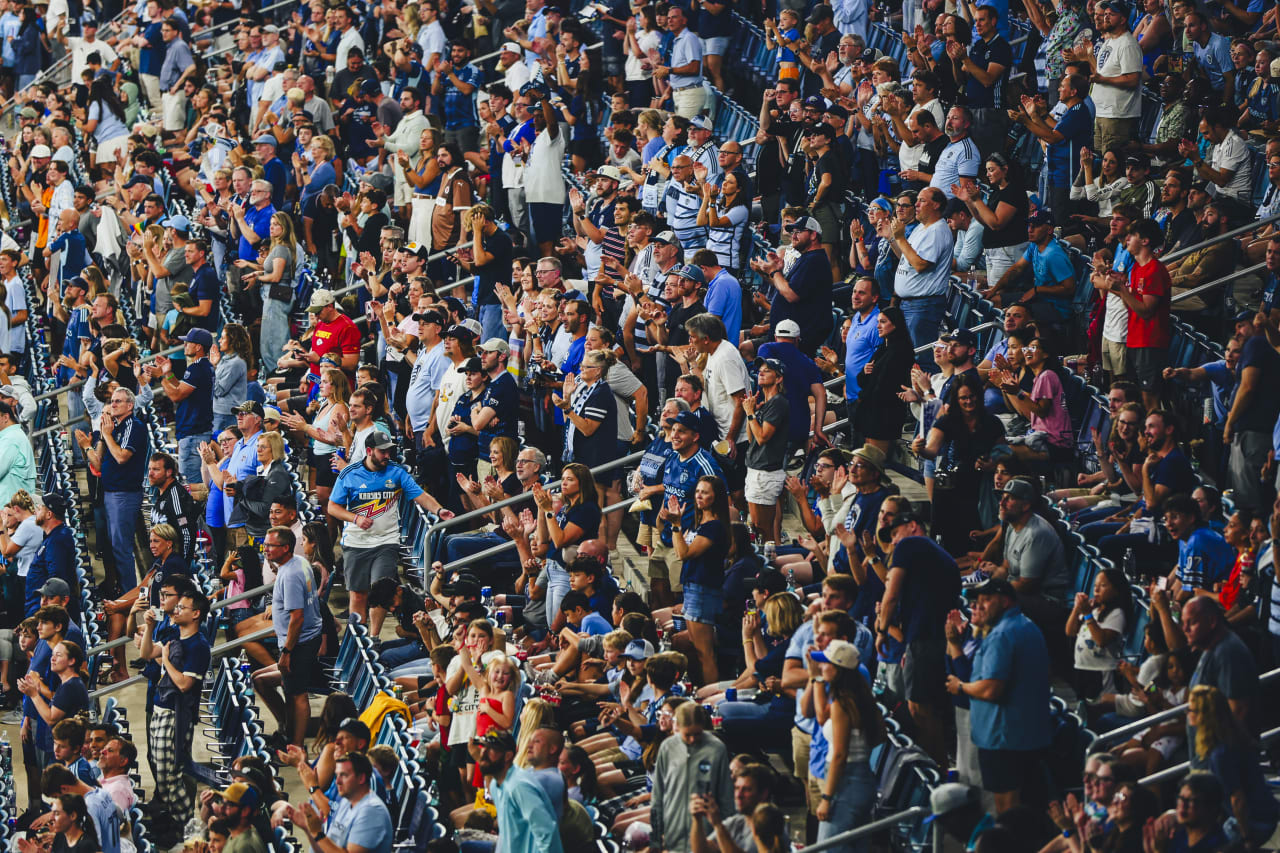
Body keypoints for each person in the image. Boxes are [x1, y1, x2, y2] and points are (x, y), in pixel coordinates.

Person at [945, 577, 1051, 813]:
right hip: (1023, 735)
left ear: (1004, 601)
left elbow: (992, 689)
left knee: (1007, 811)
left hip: (1004, 737)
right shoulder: (1026, 625)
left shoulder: (1002, 635)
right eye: (977, 601)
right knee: (1022, 810)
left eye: (986, 600)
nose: (979, 606)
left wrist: (961, 687)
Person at [328, 431, 449, 628]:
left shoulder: (397, 472)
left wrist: (439, 509)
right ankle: (358, 637)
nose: (387, 455)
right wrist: (355, 518)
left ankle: (373, 637)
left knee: (380, 593)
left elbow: (420, 496)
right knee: (358, 595)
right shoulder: (349, 474)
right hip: (355, 543)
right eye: (382, 451)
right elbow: (332, 507)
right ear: (369, 451)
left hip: (386, 542)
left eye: (389, 451)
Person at [142, 588, 212, 843]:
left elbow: (184, 684)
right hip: (161, 708)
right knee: (162, 776)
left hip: (176, 715)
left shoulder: (199, 645)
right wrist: (149, 627)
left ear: (196, 614)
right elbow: (145, 653)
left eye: (182, 607)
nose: (176, 610)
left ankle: (189, 831)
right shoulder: (176, 637)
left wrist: (166, 662)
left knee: (170, 776)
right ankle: (178, 826)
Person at [74, 387, 148, 594]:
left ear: (130, 405)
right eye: (112, 401)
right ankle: (119, 590)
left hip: (124, 494)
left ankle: (129, 595)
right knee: (112, 548)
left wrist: (106, 434)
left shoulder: (134, 426)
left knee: (121, 548)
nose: (113, 404)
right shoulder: (112, 429)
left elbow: (122, 456)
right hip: (110, 493)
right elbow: (97, 464)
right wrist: (88, 446)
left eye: (118, 401)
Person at [650, 703, 733, 853]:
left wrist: (723, 836)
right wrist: (656, 838)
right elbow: (657, 796)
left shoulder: (716, 749)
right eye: (687, 735)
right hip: (673, 830)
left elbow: (726, 797)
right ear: (677, 728)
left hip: (705, 834)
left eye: (698, 734)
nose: (693, 739)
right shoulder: (667, 748)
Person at [884, 188, 954, 350]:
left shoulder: (937, 230)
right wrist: (892, 238)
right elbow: (906, 257)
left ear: (936, 205)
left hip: (923, 306)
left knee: (921, 357)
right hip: (910, 304)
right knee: (909, 356)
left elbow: (920, 265)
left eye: (922, 200)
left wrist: (900, 237)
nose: (916, 204)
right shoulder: (922, 228)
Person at [290, 752, 393, 853]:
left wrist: (317, 833)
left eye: (343, 775)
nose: (337, 781)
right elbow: (326, 849)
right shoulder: (346, 801)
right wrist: (309, 830)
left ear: (361, 778)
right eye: (337, 775)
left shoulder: (371, 811)